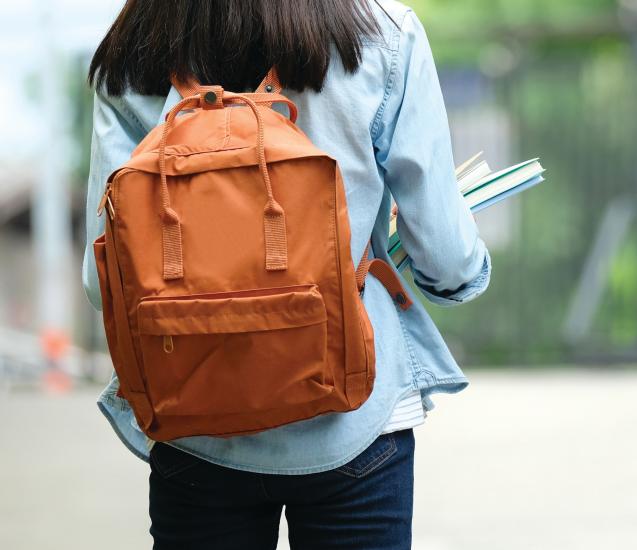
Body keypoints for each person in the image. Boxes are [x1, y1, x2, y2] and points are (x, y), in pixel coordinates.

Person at [82, 1, 491, 548]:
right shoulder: (381, 34)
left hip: (193, 421)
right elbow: (445, 255)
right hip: (356, 418)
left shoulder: (136, 45)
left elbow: (100, 280)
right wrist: (458, 275)